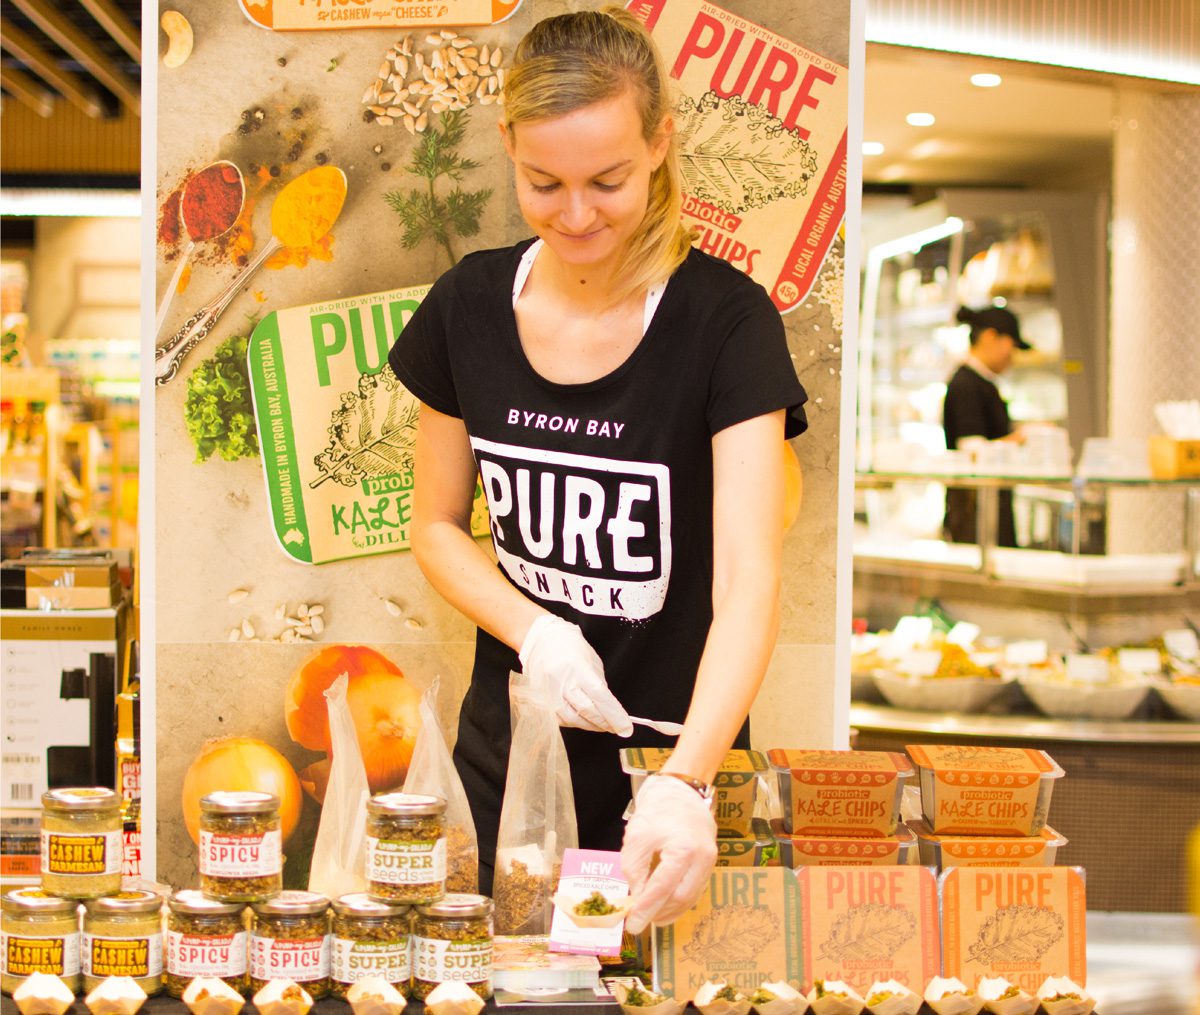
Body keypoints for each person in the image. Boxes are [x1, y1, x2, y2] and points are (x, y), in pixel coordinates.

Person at [387, 6, 807, 933]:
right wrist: (533, 629)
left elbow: (746, 579)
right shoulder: (469, 307)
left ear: (659, 143)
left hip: (673, 772)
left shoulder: (724, 323)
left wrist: (689, 781)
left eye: (608, 180)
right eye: (544, 182)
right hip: (509, 770)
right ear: (506, 147)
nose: (577, 214)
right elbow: (433, 527)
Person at [942, 304, 1029, 546]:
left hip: (988, 510)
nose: (1012, 357)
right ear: (991, 337)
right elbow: (972, 452)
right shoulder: (967, 386)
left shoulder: (982, 383)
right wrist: (1021, 439)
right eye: (1011, 347)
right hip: (976, 517)